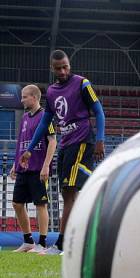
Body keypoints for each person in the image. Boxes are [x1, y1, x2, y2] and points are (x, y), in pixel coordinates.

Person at [20, 49, 106, 255]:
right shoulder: (50, 92)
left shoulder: (82, 83)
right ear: (52, 68)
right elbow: (44, 123)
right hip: (65, 145)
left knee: (68, 192)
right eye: (58, 68)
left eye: (65, 66)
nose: (63, 71)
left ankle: (61, 244)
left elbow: (99, 111)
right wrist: (29, 150)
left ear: (69, 64)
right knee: (68, 193)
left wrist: (100, 140)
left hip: (83, 140)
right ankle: (97, 183)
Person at [11, 85, 57, 253]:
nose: (22, 100)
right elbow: (20, 143)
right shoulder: (23, 118)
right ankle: (28, 240)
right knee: (16, 203)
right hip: (23, 168)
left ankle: (42, 243)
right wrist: (15, 164)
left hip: (38, 168)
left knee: (40, 204)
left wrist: (46, 165)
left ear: (34, 97)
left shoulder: (46, 116)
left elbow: (53, 141)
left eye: (24, 97)